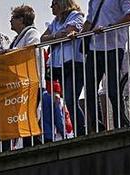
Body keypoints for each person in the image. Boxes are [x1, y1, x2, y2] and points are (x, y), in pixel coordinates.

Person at [81, 0, 130, 131]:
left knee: (113, 89)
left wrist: (110, 26)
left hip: (114, 46)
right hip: (94, 47)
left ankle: (120, 123)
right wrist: (80, 33)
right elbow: (89, 21)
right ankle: (97, 125)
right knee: (89, 88)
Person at [43, 0, 86, 133]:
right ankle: (79, 130)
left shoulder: (75, 15)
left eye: (54, 3)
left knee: (71, 98)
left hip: (74, 62)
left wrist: (54, 37)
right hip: (60, 65)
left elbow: (69, 31)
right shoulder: (55, 22)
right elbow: (42, 38)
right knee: (69, 100)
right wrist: (57, 36)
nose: (52, 7)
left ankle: (81, 129)